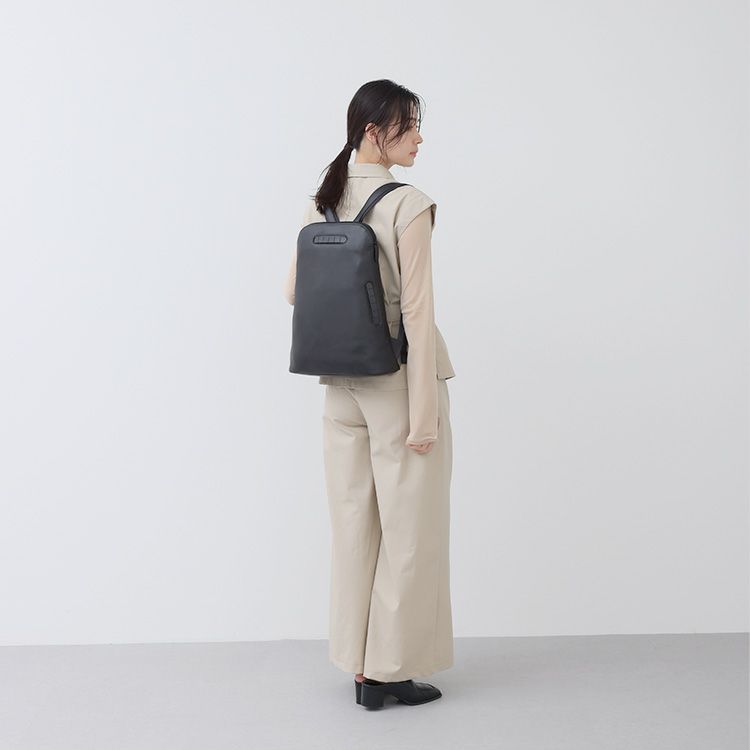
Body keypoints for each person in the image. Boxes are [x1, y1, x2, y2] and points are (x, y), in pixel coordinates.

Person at [283, 79, 456, 710]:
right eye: (409, 125)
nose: (420, 138)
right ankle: (388, 669)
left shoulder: (323, 202)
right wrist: (424, 414)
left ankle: (357, 666)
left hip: (339, 386)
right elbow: (417, 311)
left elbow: (294, 293)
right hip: (397, 385)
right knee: (409, 531)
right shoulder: (407, 203)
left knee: (354, 527)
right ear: (374, 131)